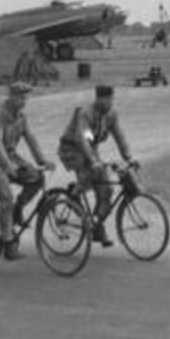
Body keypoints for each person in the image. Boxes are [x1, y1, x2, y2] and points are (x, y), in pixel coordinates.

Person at [0, 81, 53, 260]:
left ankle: (18, 209)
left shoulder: (21, 116)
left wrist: (41, 159)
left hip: (12, 159)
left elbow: (30, 137)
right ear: (11, 96)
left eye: (25, 97)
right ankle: (8, 243)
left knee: (37, 178)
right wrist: (7, 166)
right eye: (20, 96)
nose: (23, 100)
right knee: (6, 198)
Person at [58, 84, 138, 245]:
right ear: (99, 99)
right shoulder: (85, 113)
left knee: (106, 191)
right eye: (107, 99)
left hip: (90, 151)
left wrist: (129, 158)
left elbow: (120, 137)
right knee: (91, 173)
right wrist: (94, 161)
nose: (110, 102)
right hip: (72, 150)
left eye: (111, 99)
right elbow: (83, 138)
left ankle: (96, 226)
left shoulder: (110, 115)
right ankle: (74, 195)